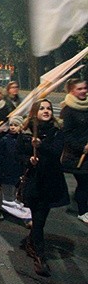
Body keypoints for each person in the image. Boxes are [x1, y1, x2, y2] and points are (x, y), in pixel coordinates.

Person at [17, 99, 69, 277]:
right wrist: (29, 160)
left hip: (50, 181)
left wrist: (41, 145)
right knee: (38, 219)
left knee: (41, 219)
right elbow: (20, 154)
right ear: (34, 112)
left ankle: (32, 241)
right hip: (33, 181)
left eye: (48, 108)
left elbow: (55, 152)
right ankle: (39, 255)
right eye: (42, 108)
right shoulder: (27, 132)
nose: (46, 111)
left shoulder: (57, 132)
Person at [0, 115, 32, 225]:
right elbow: (0, 156)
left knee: (13, 191)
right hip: (6, 168)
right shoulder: (5, 139)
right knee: (5, 191)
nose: (13, 127)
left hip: (17, 169)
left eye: (16, 125)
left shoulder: (24, 139)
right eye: (11, 125)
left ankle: (5, 208)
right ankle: (0, 209)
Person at [60, 78, 88, 224]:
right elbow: (66, 135)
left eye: (85, 88)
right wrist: (82, 147)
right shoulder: (68, 110)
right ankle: (83, 211)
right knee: (84, 182)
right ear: (72, 91)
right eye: (80, 89)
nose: (84, 91)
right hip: (77, 155)